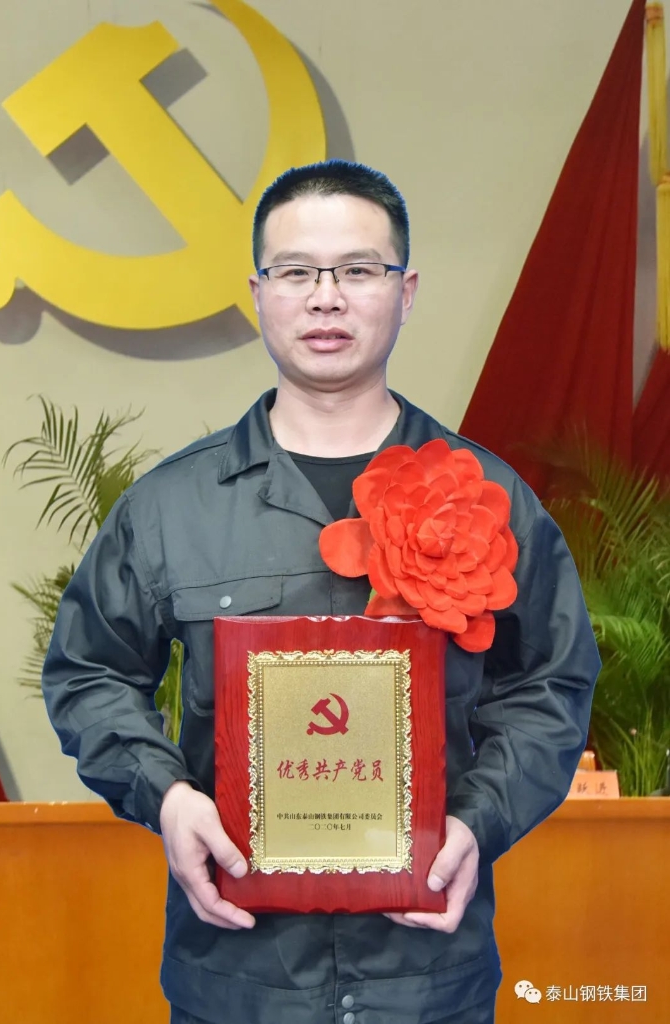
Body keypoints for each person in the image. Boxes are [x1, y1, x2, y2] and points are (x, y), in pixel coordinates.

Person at [42, 160, 600, 1024]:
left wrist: (476, 822)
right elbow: (89, 672)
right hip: (237, 977)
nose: (326, 298)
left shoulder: (489, 498)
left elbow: (550, 684)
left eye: (357, 270)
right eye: (296, 271)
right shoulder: (171, 507)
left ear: (404, 293)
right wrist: (169, 799)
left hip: (426, 976)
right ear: (258, 294)